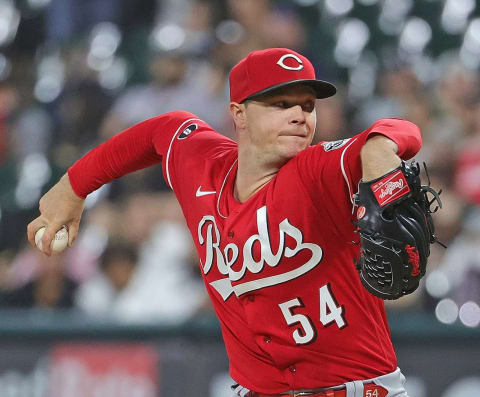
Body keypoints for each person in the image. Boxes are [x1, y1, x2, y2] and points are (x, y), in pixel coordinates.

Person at [27, 48, 423, 396]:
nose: (299, 116)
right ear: (239, 114)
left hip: (356, 390)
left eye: (307, 105)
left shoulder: (318, 170)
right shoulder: (202, 164)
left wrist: (378, 152)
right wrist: (72, 187)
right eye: (280, 104)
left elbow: (397, 131)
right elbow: (157, 132)